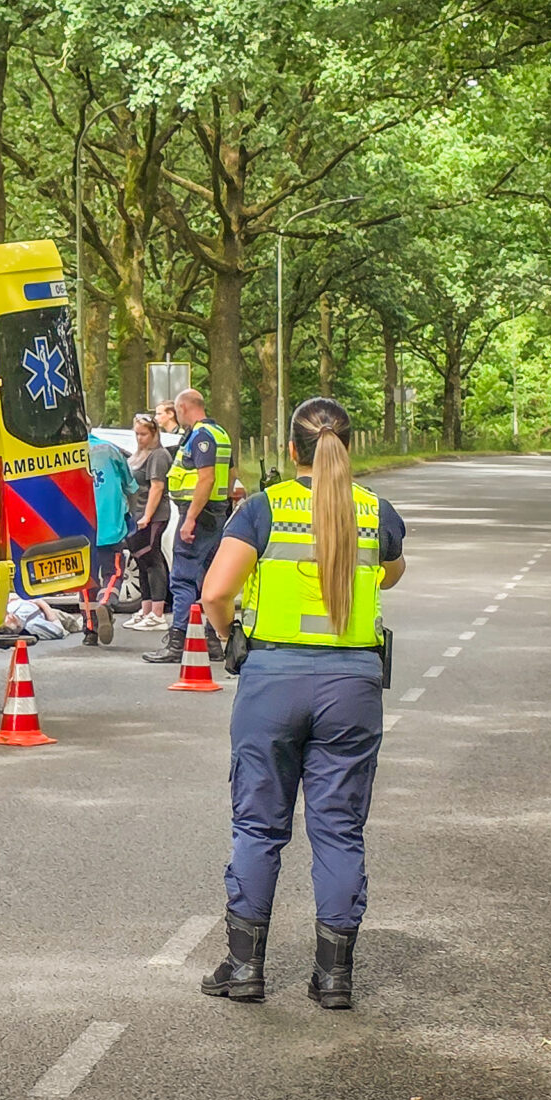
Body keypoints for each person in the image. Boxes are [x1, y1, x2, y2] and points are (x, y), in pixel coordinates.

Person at [195, 397, 406, 1008]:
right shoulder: (376, 512)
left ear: (292, 450)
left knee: (259, 825)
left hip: (273, 680)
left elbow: (215, 592)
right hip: (353, 685)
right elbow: (391, 573)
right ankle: (335, 977)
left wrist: (231, 636)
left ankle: (244, 968)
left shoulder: (262, 510)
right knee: (339, 829)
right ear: (348, 446)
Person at [144, 388, 233, 663]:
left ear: (183, 408)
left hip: (198, 516)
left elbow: (206, 478)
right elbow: (231, 476)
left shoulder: (201, 436)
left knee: (182, 579)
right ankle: (212, 640)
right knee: (208, 579)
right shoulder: (221, 434)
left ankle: (177, 642)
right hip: (215, 514)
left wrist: (191, 518)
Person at [123, 414, 174, 630]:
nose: (139, 438)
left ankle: (158, 613)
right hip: (134, 514)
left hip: (153, 515)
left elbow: (157, 487)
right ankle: (145, 609)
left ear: (154, 433)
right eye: (137, 434)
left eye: (143, 434)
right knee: (140, 561)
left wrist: (147, 515)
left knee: (152, 560)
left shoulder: (158, 455)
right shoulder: (137, 455)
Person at [86, 430, 132, 640]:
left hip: (82, 527)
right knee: (113, 572)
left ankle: (90, 630)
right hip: (110, 525)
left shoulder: (67, 454)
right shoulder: (108, 449)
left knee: (86, 579)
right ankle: (105, 602)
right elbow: (130, 483)